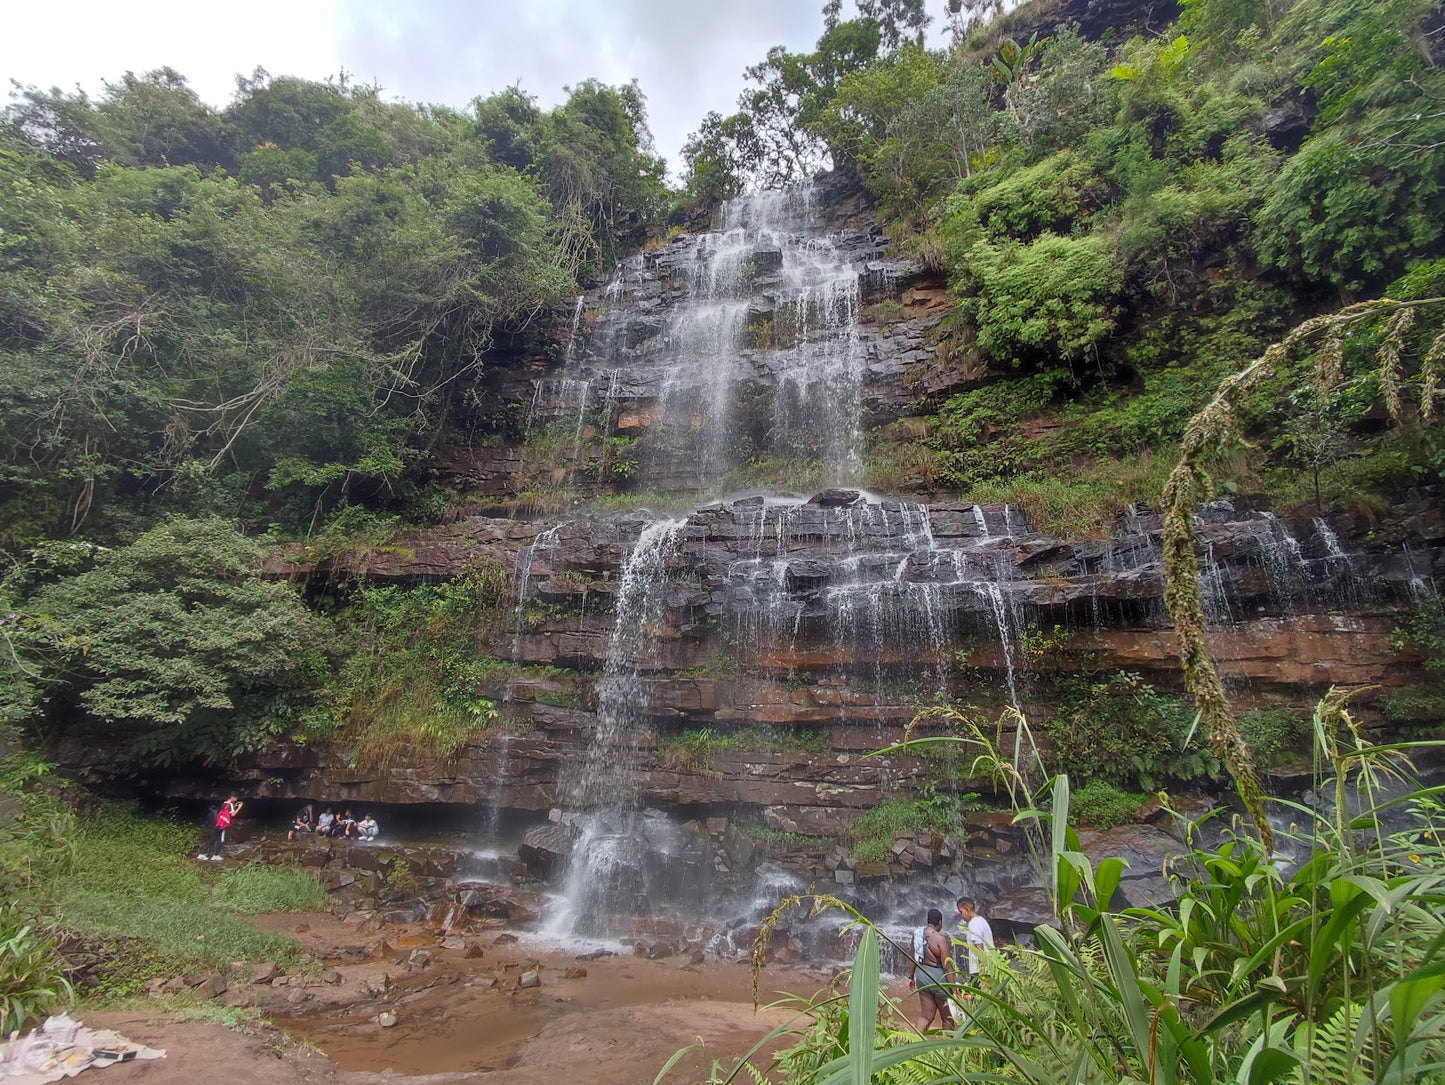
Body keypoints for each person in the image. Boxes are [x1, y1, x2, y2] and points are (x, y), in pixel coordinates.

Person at [907, 908, 957, 1032]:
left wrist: (910, 977)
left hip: (922, 976)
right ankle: (948, 1050)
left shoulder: (917, 934)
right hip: (938, 979)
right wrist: (954, 990)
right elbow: (947, 966)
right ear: (939, 922)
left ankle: (915, 1044)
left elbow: (914, 957)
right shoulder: (940, 939)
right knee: (947, 1018)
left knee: (926, 1016)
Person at [956, 897, 995, 985]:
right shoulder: (982, 921)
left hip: (981, 972)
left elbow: (979, 948)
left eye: (961, 912)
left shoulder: (974, 924)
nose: (961, 916)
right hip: (990, 968)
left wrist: (982, 973)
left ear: (967, 909)